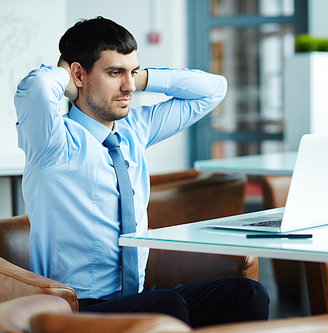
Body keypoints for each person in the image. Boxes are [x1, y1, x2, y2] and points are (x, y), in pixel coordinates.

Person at [15, 16, 269, 328]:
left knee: (247, 293)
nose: (129, 86)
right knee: (167, 304)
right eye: (114, 73)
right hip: (78, 306)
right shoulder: (52, 141)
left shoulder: (135, 129)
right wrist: (63, 75)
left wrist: (142, 76)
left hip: (136, 296)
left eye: (132, 72)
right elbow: (35, 89)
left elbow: (213, 90)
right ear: (79, 74)